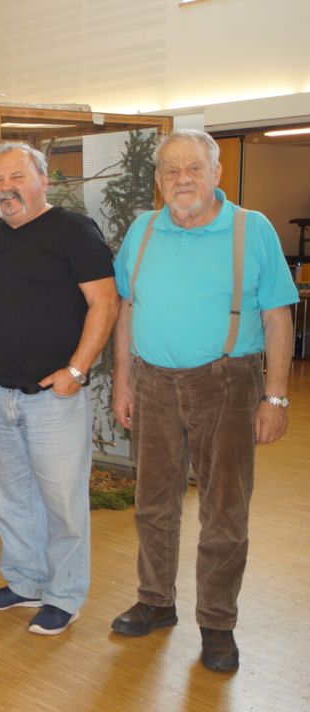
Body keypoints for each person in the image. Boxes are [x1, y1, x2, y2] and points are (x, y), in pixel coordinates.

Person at [108, 129, 297, 672]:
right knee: (153, 503)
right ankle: (154, 601)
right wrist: (123, 380)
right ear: (159, 181)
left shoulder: (250, 228)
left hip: (228, 384)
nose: (183, 179)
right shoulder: (143, 229)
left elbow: (277, 316)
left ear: (216, 173)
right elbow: (127, 309)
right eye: (171, 170)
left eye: (194, 168)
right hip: (153, 383)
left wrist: (276, 398)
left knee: (224, 510)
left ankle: (217, 623)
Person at [0, 142, 117, 636]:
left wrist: (76, 371)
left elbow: (105, 304)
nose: (6, 188)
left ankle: (65, 594)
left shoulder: (75, 231)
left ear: (43, 180)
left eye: (17, 177)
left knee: (61, 500)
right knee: (10, 498)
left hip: (55, 396)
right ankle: (26, 580)